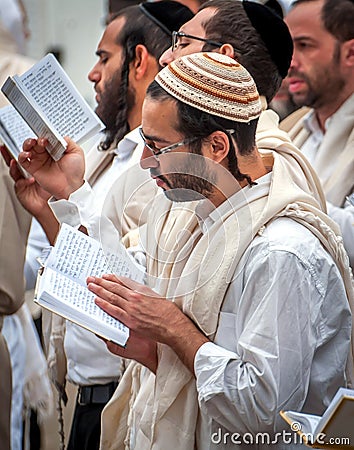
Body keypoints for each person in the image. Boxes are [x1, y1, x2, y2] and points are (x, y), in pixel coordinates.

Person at [19, 52, 354, 449]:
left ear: (216, 146)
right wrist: (70, 192)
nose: (145, 163)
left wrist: (173, 330)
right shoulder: (188, 215)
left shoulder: (282, 252)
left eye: (158, 148)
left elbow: (265, 411)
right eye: (144, 144)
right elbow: (128, 284)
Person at [1, 2, 194, 450]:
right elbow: (83, 268)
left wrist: (69, 197)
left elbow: (130, 286)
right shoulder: (109, 157)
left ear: (139, 61)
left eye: (103, 58)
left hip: (124, 394)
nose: (91, 74)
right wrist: (48, 209)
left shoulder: (157, 168)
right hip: (89, 394)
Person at [280, 0, 354, 267]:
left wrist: (282, 198)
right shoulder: (290, 129)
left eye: (304, 46)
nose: (290, 62)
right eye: (288, 48)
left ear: (350, 53)